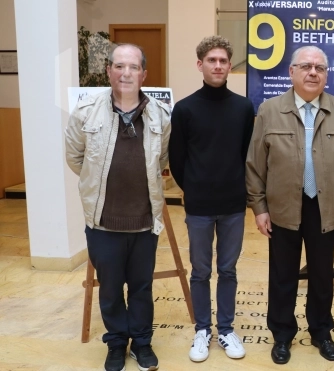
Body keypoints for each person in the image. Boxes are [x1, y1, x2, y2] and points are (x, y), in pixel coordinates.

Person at [246, 45, 334, 365]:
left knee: (322, 275)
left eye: (320, 68)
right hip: (283, 207)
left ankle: (321, 331)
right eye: (306, 67)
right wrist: (259, 208)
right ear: (292, 72)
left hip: (328, 208)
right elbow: (255, 165)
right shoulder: (270, 110)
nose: (313, 72)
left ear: (326, 75)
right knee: (283, 275)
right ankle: (282, 334)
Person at [65, 43, 171, 371]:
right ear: (109, 70)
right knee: (110, 289)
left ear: (144, 74)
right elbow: (75, 157)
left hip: (144, 223)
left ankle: (141, 342)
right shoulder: (86, 113)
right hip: (102, 224)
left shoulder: (161, 116)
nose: (126, 73)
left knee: (141, 287)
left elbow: (164, 160)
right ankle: (115, 343)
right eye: (119, 66)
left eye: (133, 67)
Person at [169, 36, 254, 362]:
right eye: (211, 60)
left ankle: (227, 329)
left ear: (229, 66)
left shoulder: (244, 107)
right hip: (200, 206)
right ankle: (202, 330)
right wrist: (194, 188)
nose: (218, 66)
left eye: (223, 61)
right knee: (201, 271)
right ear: (200, 64)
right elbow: (176, 160)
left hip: (233, 205)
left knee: (228, 270)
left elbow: (248, 154)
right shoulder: (185, 109)